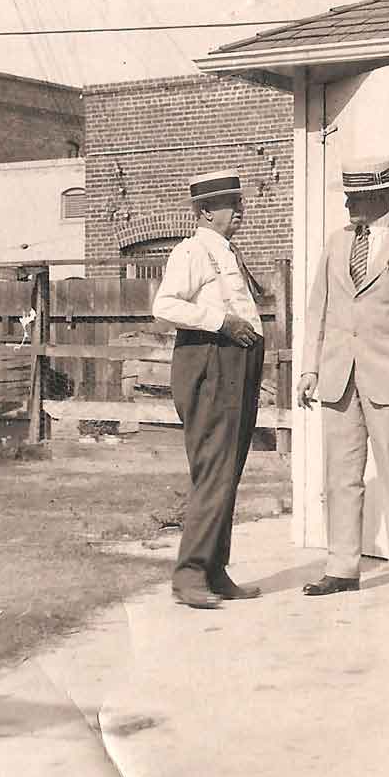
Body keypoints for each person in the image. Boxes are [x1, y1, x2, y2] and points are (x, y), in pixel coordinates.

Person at [296, 154, 389, 600]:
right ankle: (342, 567)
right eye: (347, 196)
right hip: (338, 378)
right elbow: (317, 309)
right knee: (338, 477)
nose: (348, 205)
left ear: (383, 194)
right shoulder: (336, 242)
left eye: (357, 197)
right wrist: (309, 368)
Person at [152, 169, 265, 609]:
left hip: (237, 361)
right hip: (211, 361)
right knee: (214, 470)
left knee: (227, 471)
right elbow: (164, 305)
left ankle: (215, 569)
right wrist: (221, 322)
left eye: (239, 202)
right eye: (229, 204)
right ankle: (189, 575)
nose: (239, 210)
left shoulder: (226, 251)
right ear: (204, 212)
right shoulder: (192, 250)